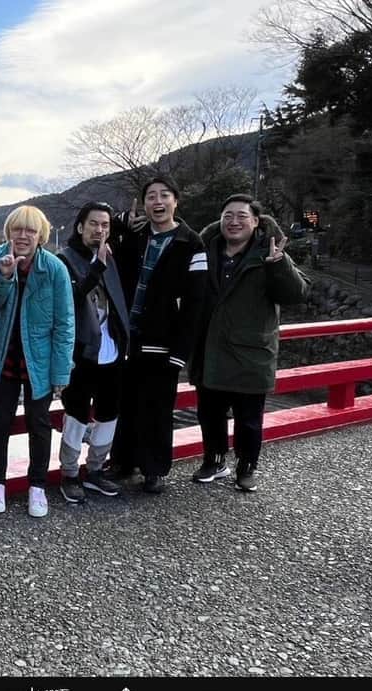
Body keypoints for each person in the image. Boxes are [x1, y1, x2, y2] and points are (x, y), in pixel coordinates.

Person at [189, 194, 310, 491]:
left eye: (242, 216)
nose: (234, 221)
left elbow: (296, 294)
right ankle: (214, 460)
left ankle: (246, 466)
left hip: (251, 352)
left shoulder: (270, 253)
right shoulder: (204, 251)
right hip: (209, 348)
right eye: (228, 215)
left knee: (249, 419)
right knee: (210, 413)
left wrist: (278, 265)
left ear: (256, 222)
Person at [107, 175, 207, 494]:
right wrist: (121, 222)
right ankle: (122, 462)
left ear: (176, 201)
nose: (158, 201)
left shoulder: (191, 243)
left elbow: (196, 302)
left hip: (163, 341)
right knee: (125, 404)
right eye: (151, 196)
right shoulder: (135, 237)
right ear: (144, 204)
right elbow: (102, 240)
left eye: (164, 195)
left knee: (158, 408)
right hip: (127, 339)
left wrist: (181, 352)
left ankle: (154, 469)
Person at [0, 206, 75, 517]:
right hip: (2, 355)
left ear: (41, 235)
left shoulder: (55, 268)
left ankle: (37, 486)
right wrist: (6, 276)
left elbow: (65, 323)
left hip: (40, 360)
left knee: (40, 422)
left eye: (30, 230)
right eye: (17, 229)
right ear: (8, 231)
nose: (23, 236)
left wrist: (61, 371)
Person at [54, 202, 130, 502]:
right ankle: (70, 473)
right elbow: (69, 299)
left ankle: (96, 470)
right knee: (76, 414)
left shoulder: (111, 256)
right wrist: (96, 267)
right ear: (80, 227)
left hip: (112, 349)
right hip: (82, 351)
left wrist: (123, 222)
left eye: (105, 225)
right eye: (93, 224)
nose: (100, 230)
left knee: (109, 413)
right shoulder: (64, 259)